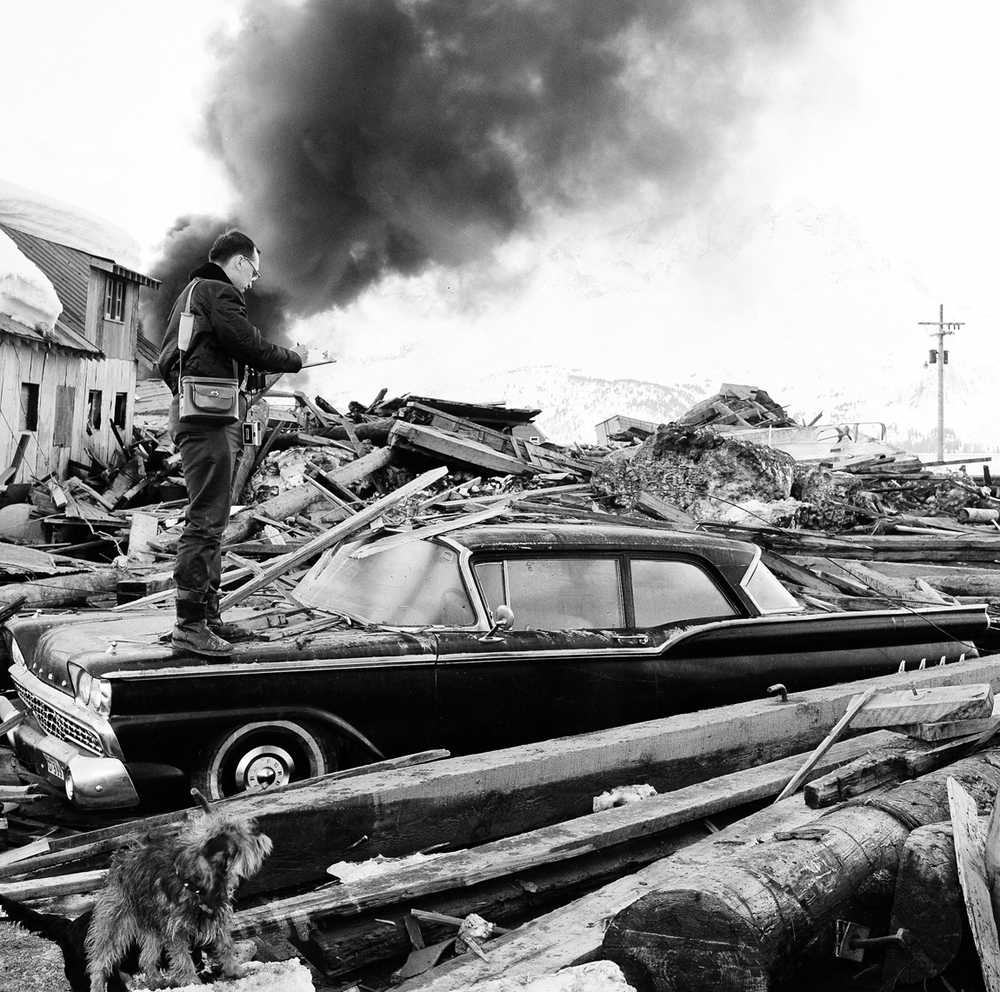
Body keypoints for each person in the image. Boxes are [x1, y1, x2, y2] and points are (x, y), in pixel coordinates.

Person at [158, 230, 304, 656]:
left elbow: (174, 359)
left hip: (198, 414)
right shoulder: (219, 292)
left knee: (214, 518)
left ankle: (208, 618)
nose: (253, 281)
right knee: (205, 520)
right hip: (208, 420)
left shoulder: (191, 294)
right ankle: (190, 625)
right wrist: (297, 358)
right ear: (239, 263)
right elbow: (246, 343)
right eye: (253, 273)